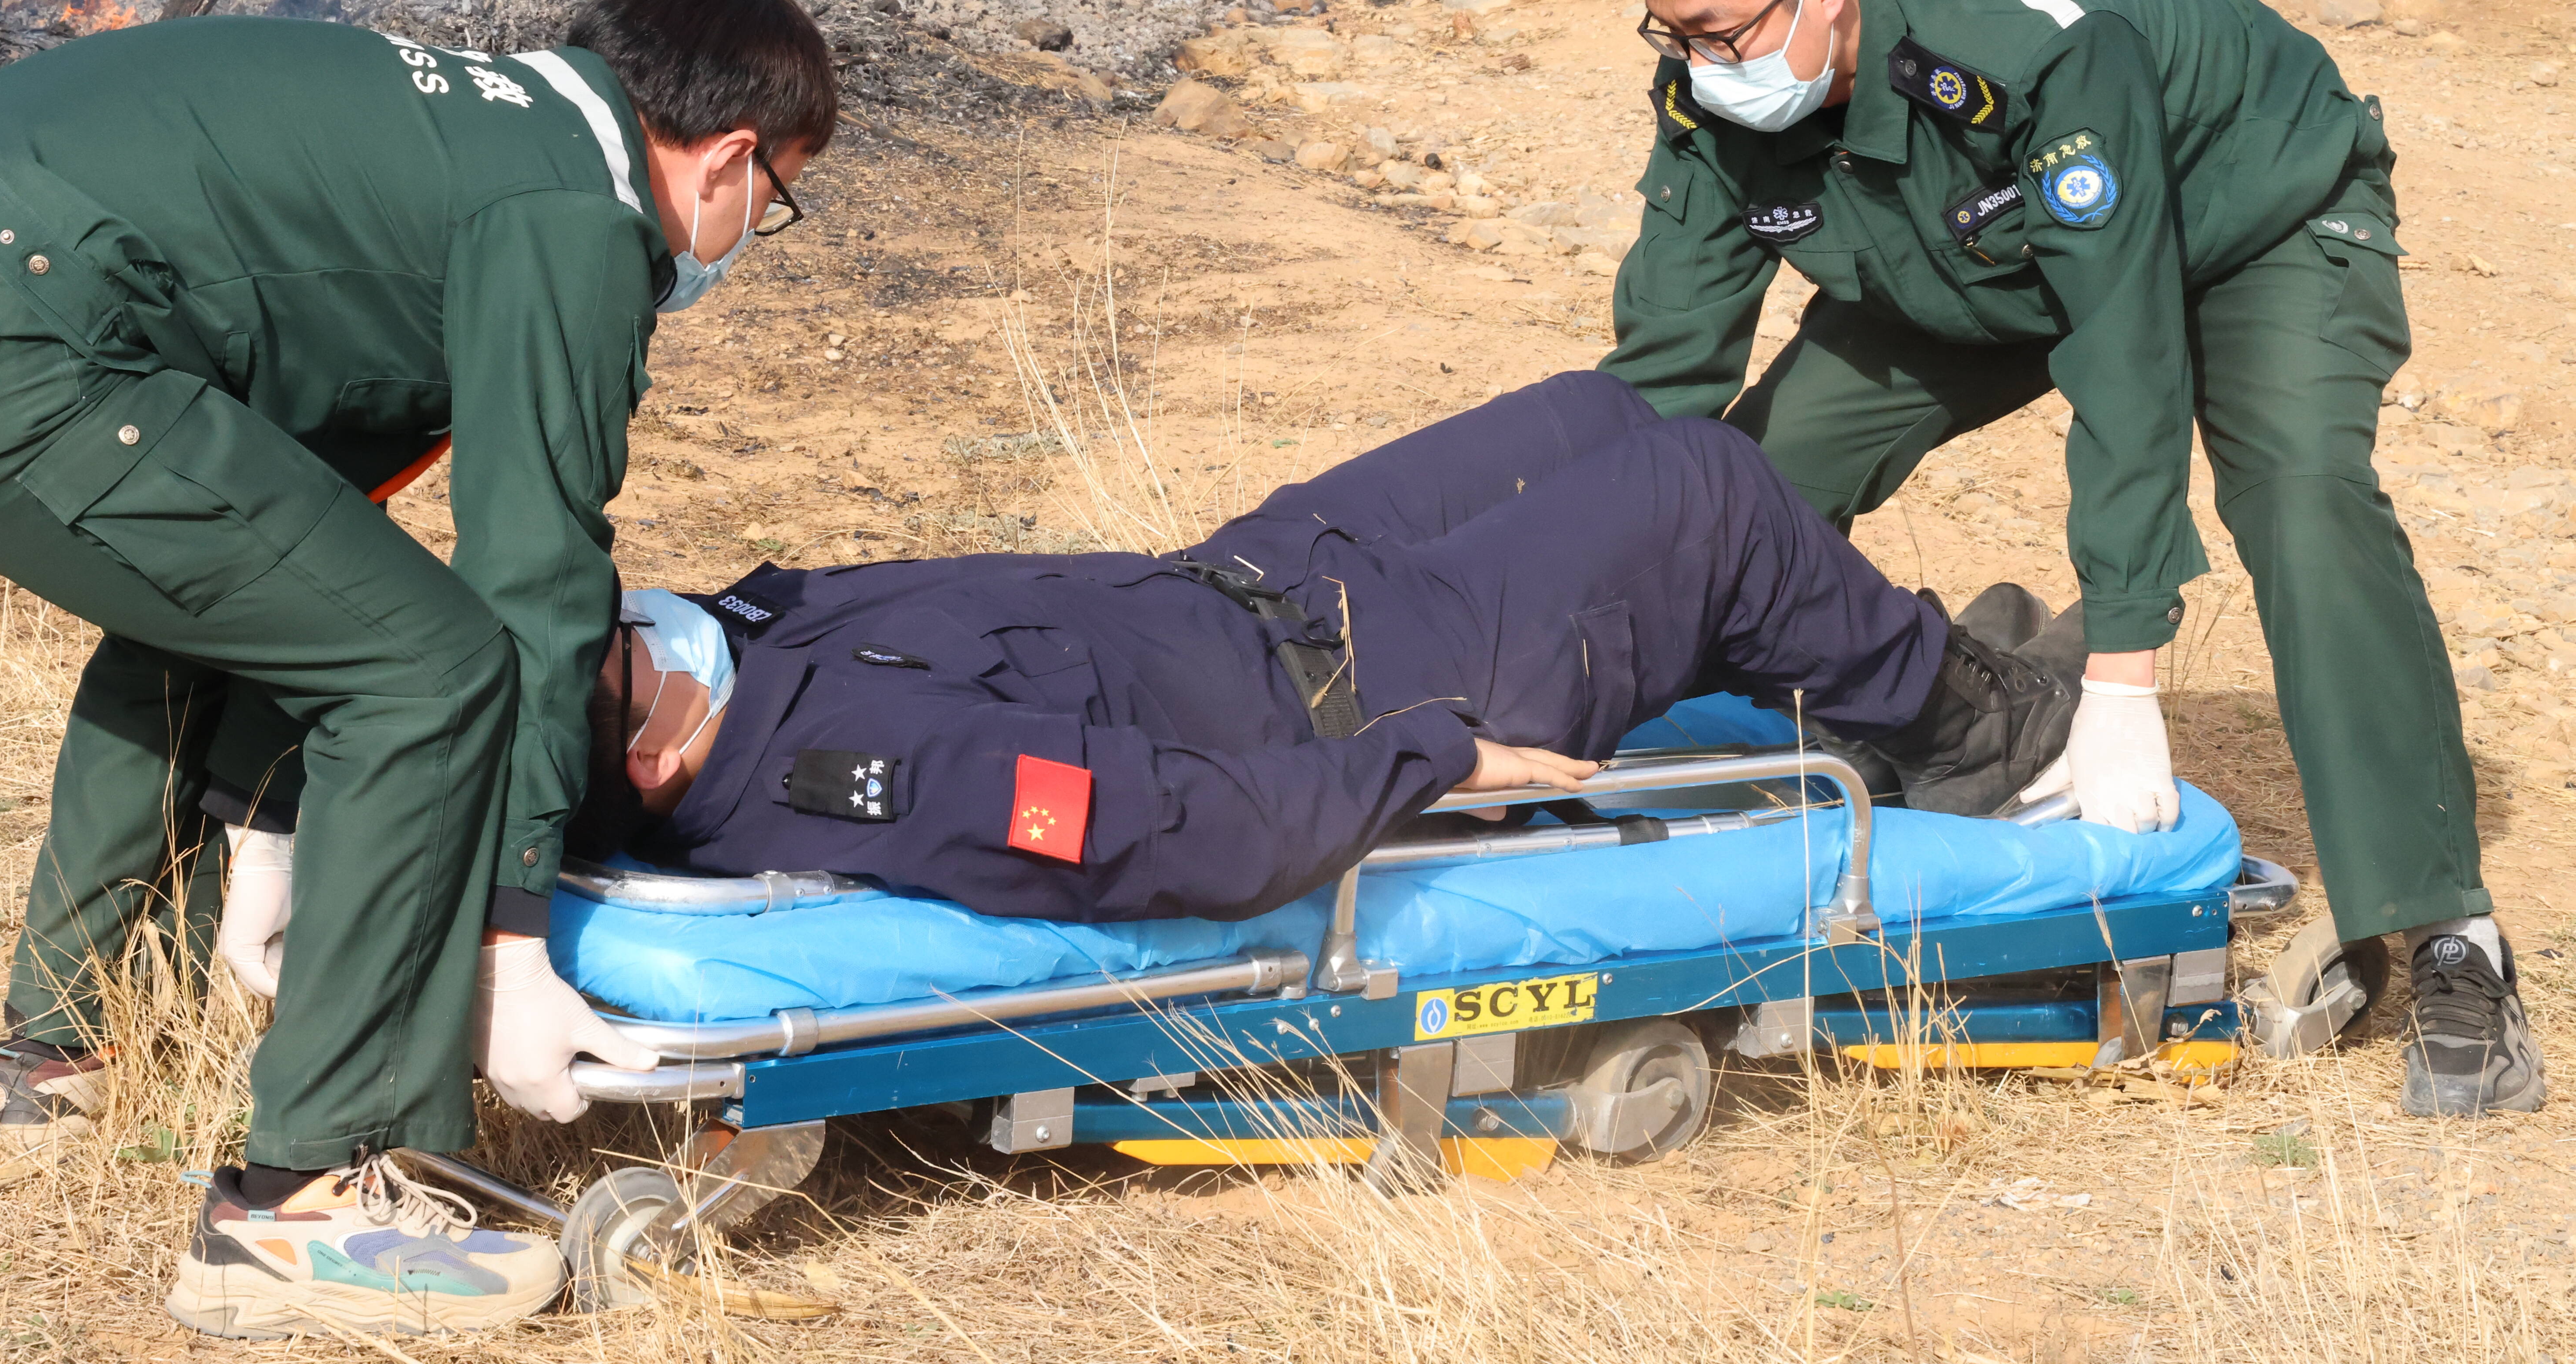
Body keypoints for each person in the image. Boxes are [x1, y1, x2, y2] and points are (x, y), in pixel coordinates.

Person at [0, 0, 839, 1337]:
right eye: (777, 198)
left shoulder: (455, 149)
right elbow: (536, 578)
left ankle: (64, 1047)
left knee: (230, 605)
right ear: (733, 153)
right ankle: (324, 1190)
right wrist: (509, 929)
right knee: (438, 672)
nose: (750, 233)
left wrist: (261, 819)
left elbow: (296, 559)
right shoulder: (575, 208)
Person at [1597, 0, 2537, 1119]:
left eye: (1723, 34)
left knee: (2304, 501)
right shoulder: (1722, 98)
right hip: (1983, 264)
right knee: (1754, 486)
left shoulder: (2034, 53)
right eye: (1671, 35)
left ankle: (2446, 934)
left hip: (2250, 216)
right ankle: (1942, 702)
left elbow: (2127, 349)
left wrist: (2124, 678)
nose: (1701, 66)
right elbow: (1661, 377)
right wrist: (1558, 601)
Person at [552, 372, 2079, 923]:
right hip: (1372, 684)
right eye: (614, 650)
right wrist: (1436, 756)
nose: (621, 616)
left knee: (1598, 416)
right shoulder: (849, 767)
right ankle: (1967, 726)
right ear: (648, 748)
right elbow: (1168, 835)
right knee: (1702, 490)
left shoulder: (714, 642)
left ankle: (1845, 656)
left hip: (1263, 571)